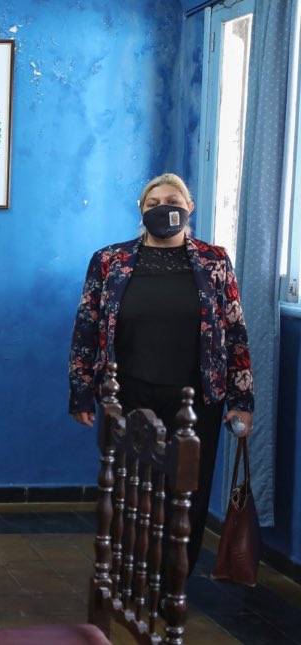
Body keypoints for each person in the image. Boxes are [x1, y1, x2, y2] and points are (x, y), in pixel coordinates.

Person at [69, 172, 254, 576]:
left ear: (190, 208)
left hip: (198, 397)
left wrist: (242, 399)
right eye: (153, 203)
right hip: (128, 394)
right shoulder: (110, 261)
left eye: (173, 201)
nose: (163, 208)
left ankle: (175, 579)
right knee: (130, 488)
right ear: (141, 210)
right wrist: (81, 390)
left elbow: (235, 329)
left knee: (188, 491)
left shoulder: (214, 261)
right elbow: (86, 326)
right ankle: (128, 574)